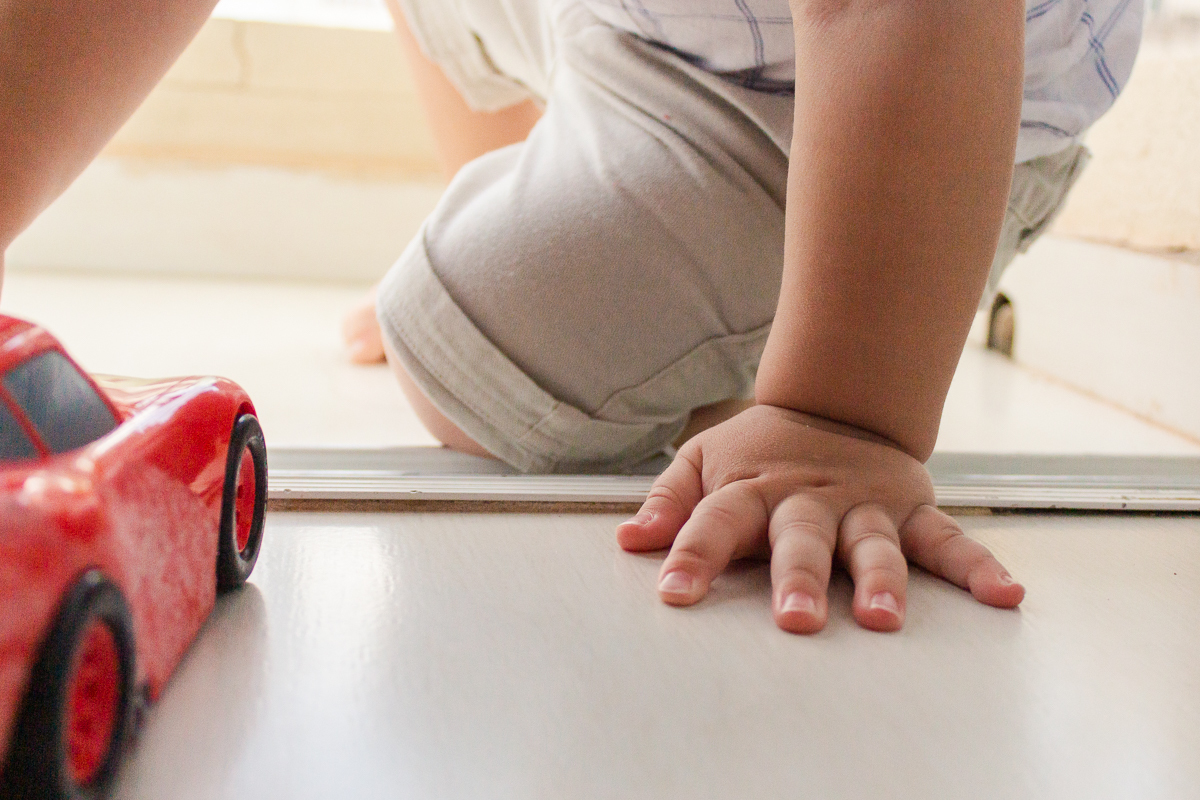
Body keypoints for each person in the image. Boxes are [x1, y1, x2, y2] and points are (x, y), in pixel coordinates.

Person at [1, 0, 1142, 634]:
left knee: (471, 372)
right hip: (647, 18)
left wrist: (840, 420)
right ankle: (570, 202)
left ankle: (693, 302)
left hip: (878, 89)